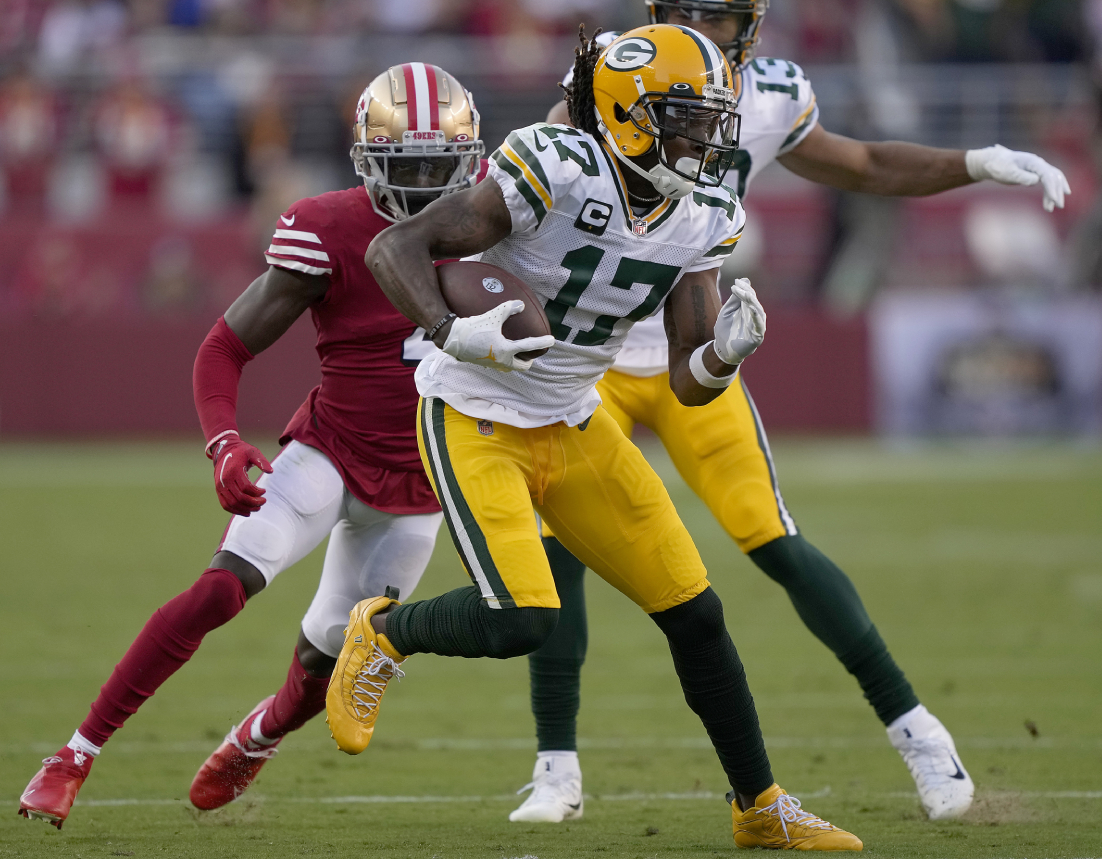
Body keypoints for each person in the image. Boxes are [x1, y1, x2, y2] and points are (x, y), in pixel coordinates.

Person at [510, 0, 1071, 824]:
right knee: (560, 551)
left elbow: (869, 164)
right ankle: (556, 764)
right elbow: (542, 177)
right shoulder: (613, 80)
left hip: (688, 346)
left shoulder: (768, 94)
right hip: (585, 358)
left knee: (770, 535)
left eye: (722, 12)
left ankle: (916, 727)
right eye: (690, 10)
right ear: (659, 13)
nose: (706, 25)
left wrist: (977, 162)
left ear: (753, 23)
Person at [325, 25, 863, 851]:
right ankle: (384, 631)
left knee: (697, 611)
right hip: (475, 411)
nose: (705, 137)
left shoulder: (706, 210)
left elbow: (686, 379)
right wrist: (449, 331)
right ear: (626, 115)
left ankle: (758, 805)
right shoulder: (557, 165)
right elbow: (395, 245)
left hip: (575, 418)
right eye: (685, 116)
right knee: (522, 617)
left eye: (712, 117)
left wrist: (724, 354)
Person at [18, 63, 485, 830]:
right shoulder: (329, 229)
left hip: (423, 484)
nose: (429, 184)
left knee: (326, 662)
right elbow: (222, 348)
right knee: (220, 588)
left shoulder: (501, 224)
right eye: (410, 166)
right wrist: (225, 442)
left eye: (443, 166)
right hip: (331, 452)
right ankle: (73, 754)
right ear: (368, 159)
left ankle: (258, 734)